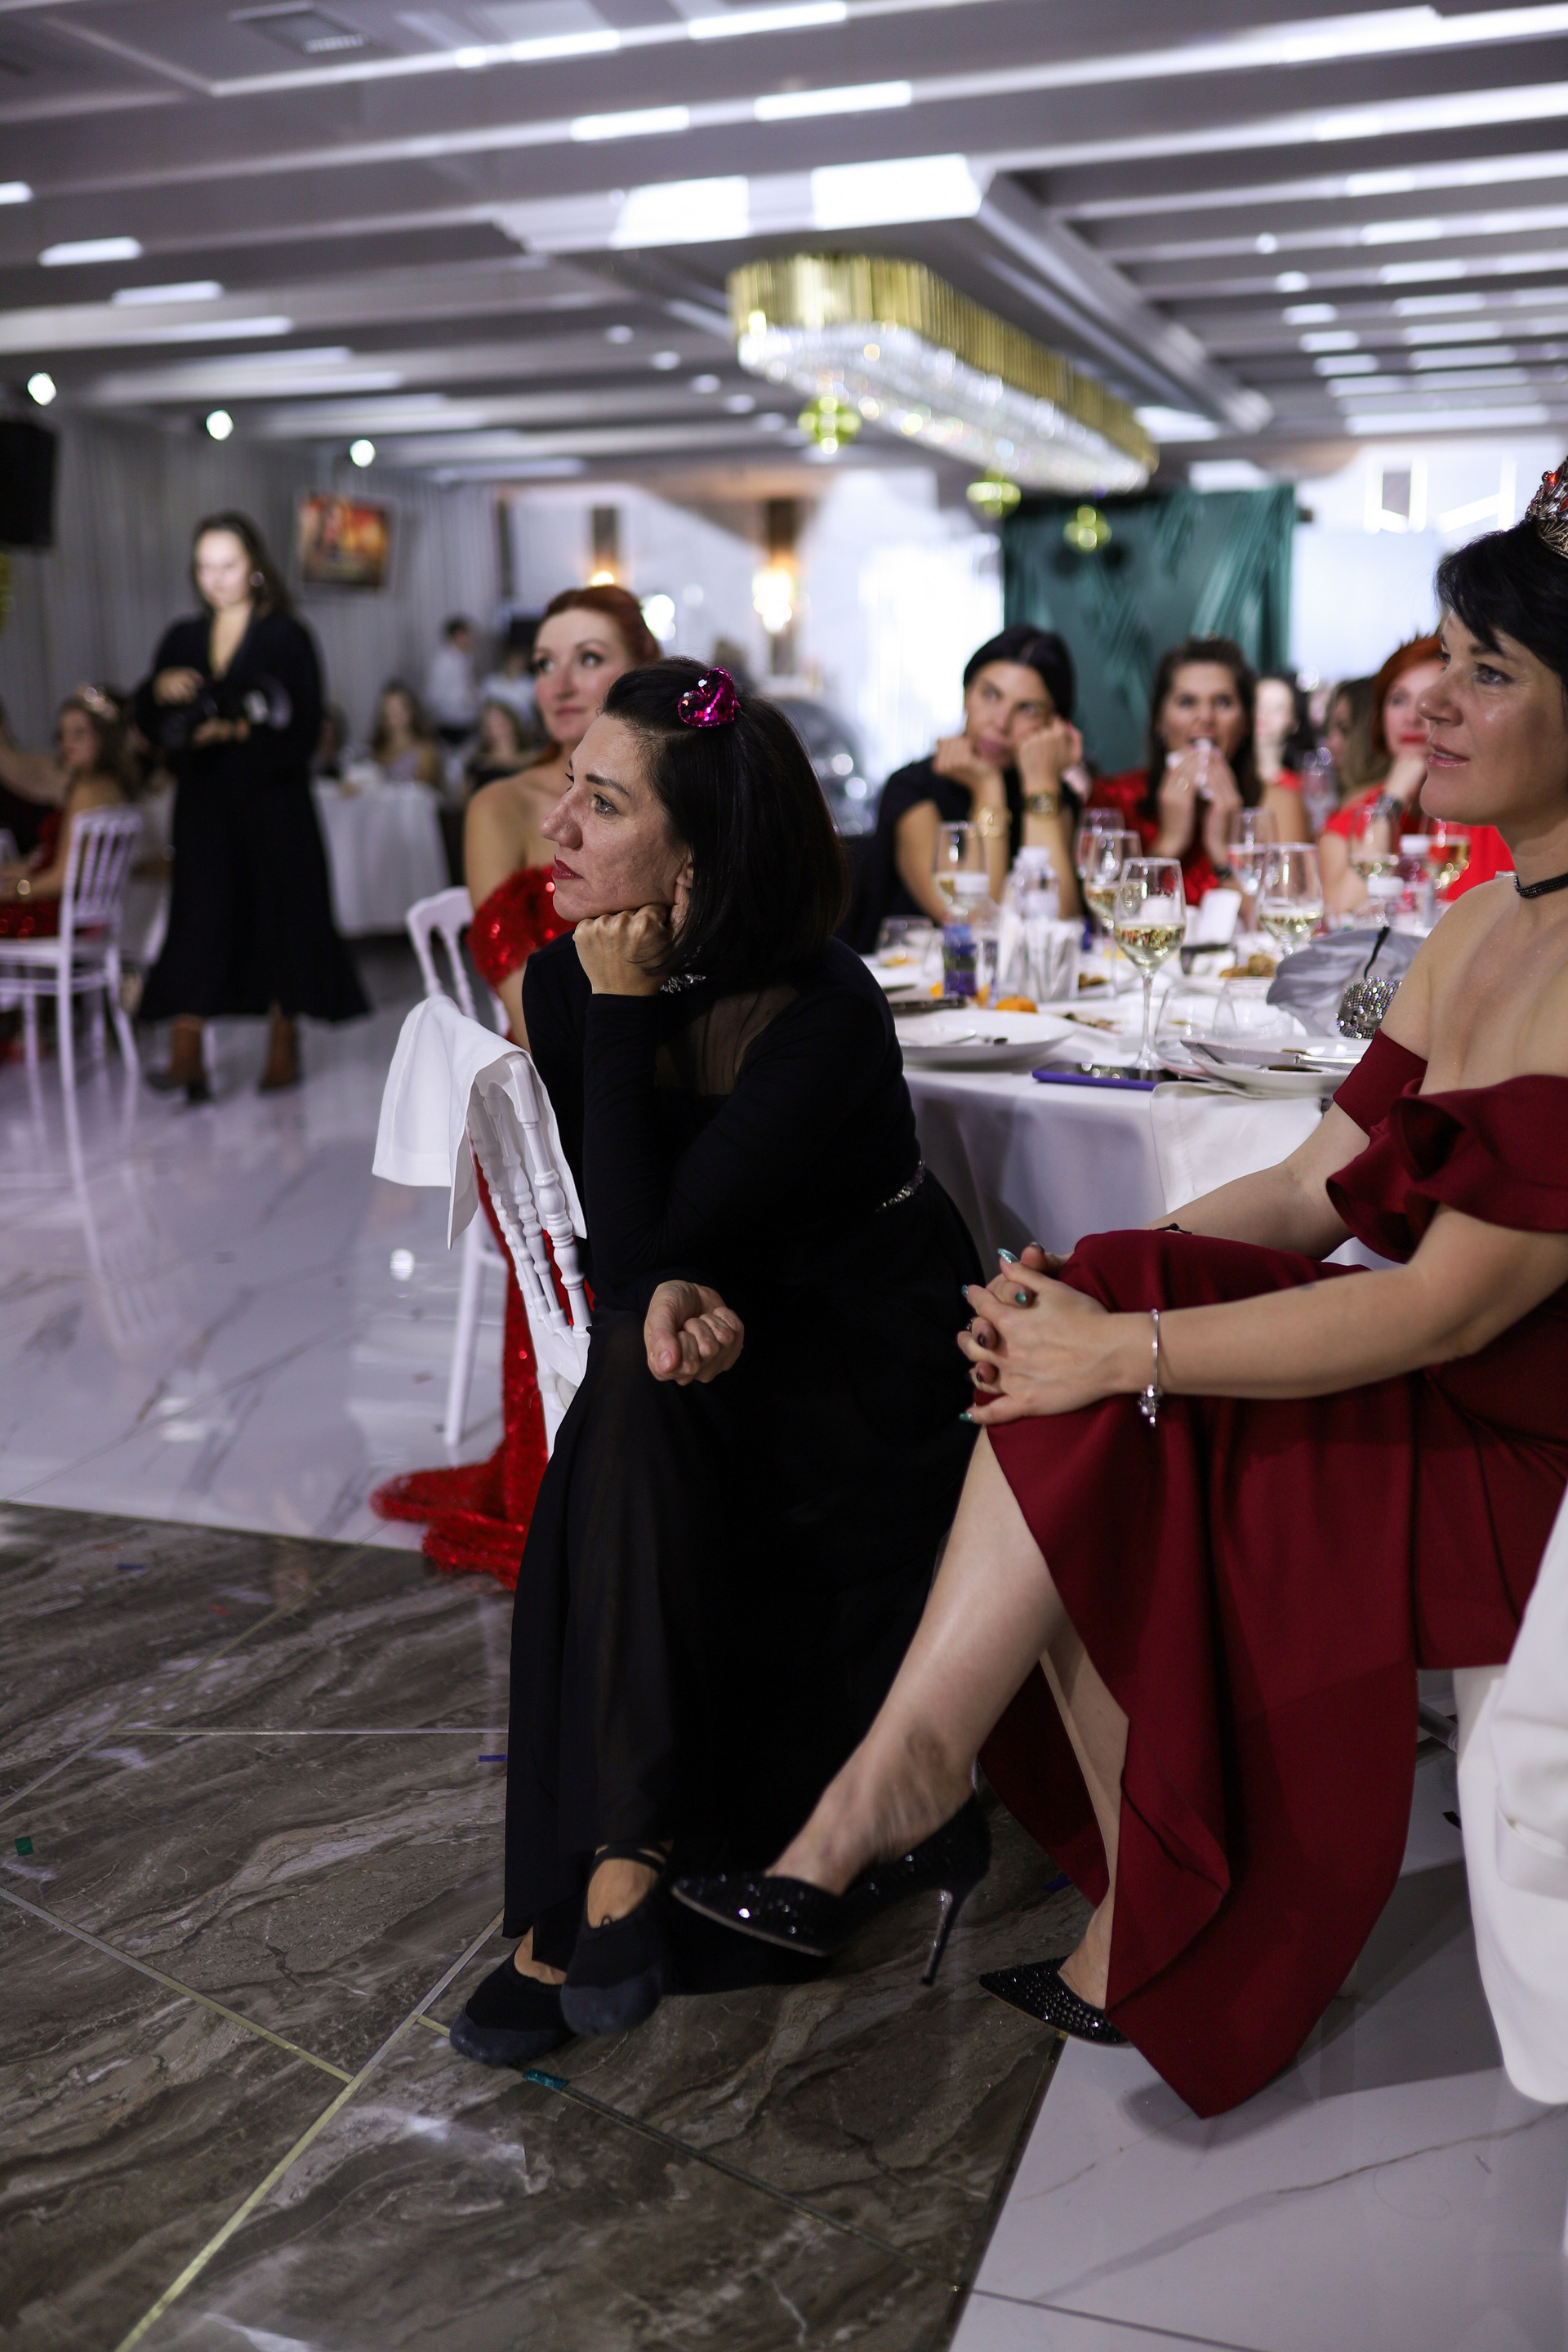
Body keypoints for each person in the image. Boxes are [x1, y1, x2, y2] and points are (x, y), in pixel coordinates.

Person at [670, 481, 1568, 2120]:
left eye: (1488, 671)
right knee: (1090, 1305)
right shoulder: (1479, 924)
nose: (1430, 700)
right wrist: (1082, 1294)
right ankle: (940, 1796)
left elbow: (1441, 1313)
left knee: (1115, 1375)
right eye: (1439, 658)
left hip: (1522, 1467)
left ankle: (914, 1792)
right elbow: (1309, 1186)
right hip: (1439, 1384)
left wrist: (1126, 1346)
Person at [448, 657, 981, 2065]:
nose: (555, 826)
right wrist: (611, 1012)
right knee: (642, 1372)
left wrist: (627, 1017)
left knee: (638, 1380)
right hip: (702, 1328)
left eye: (604, 803)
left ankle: (583, 1892)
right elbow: (637, 1260)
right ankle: (628, 1863)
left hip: (861, 1355)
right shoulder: (566, 982)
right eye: (569, 787)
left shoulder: (824, 1005)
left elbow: (654, 1247)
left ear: (698, 860)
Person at [371, 584, 659, 1580]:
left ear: (643, 668)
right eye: (543, 662)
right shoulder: (502, 806)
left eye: (590, 657)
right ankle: (593, 1484)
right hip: (544, 1097)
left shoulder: (679, 796)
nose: (560, 681)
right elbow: (526, 1000)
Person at [136, 512, 367, 1101]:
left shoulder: (286, 635)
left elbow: (304, 726)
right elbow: (151, 725)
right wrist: (158, 690)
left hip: (273, 805)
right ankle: (186, 1049)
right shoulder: (183, 637)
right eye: (205, 567)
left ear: (255, 567)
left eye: (228, 565)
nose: (216, 579)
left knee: (277, 915)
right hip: (205, 807)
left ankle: (283, 1037)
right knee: (199, 918)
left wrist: (236, 731)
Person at [856, 626, 1085, 949]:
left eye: (1027, 709)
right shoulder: (912, 789)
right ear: (966, 694)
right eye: (990, 695)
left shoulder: (1050, 795)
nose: (1001, 723)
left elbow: (1058, 930)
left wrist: (1041, 785)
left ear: (1054, 725)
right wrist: (987, 787)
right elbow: (974, 919)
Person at [1089, 635, 1310, 902]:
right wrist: (1169, 842)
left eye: (1223, 702)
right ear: (1159, 721)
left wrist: (1222, 854)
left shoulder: (1276, 806)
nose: (1205, 717)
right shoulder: (1114, 799)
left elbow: (1285, 919)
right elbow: (1108, 917)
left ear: (1245, 723)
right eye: (1186, 702)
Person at [1320, 635, 1513, 913]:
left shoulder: (1498, 818)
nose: (1412, 716)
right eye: (1398, 700)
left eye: (1430, 696)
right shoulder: (1349, 822)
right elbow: (1344, 913)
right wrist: (1392, 801)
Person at [0, 690, 131, 938]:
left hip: (58, 914)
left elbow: (64, 878)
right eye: (62, 735)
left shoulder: (86, 791)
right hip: (85, 915)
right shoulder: (112, 787)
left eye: (78, 734)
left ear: (103, 738)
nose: (67, 744)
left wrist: (18, 890)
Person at [369, 682, 444, 790]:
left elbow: (424, 789)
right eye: (390, 710)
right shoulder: (377, 748)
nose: (395, 715)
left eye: (400, 709)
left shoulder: (425, 750)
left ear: (411, 712)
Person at [425, 616, 479, 747]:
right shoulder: (443, 663)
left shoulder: (465, 659)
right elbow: (433, 696)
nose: (473, 639)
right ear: (459, 636)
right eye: (469, 635)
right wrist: (465, 698)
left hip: (466, 720)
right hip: (450, 723)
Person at [464, 698, 533, 796]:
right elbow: (465, 797)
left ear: (512, 721)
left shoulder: (534, 760)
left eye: (500, 720)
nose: (496, 726)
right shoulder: (479, 764)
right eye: (490, 723)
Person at [479, 618, 538, 732]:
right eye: (515, 661)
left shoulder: (530, 684)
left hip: (523, 731)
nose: (518, 665)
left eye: (521, 662)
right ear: (507, 661)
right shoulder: (491, 683)